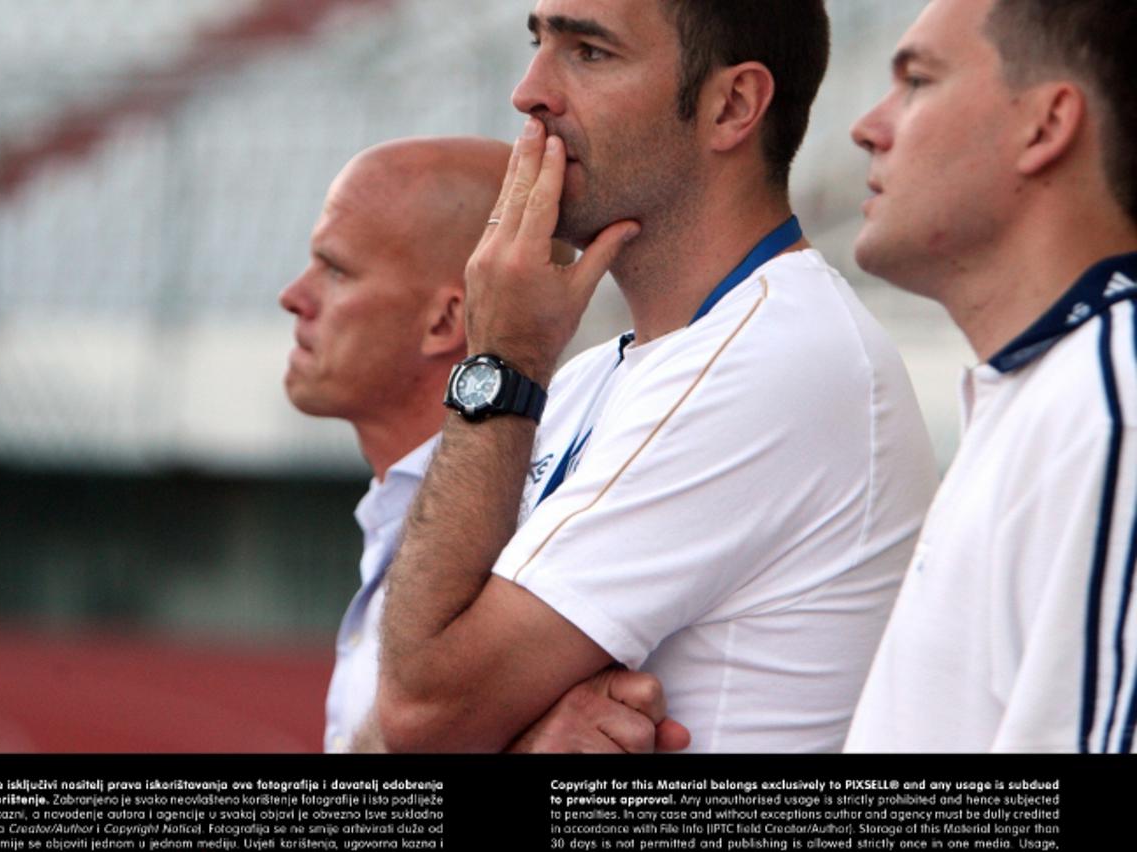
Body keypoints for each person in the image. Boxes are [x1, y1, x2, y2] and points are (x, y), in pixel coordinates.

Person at [369, 1, 937, 753]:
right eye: (539, 42)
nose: (529, 91)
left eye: (589, 52)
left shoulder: (774, 359)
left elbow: (421, 715)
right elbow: (388, 732)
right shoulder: (586, 378)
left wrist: (499, 365)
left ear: (731, 106)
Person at [280, 135, 689, 753]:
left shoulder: (544, 532)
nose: (295, 296)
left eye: (335, 270)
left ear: (445, 322)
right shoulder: (408, 507)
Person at [844, 0, 1137, 753]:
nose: (868, 126)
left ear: (1045, 126)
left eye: (917, 80)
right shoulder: (1057, 388)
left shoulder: (1112, 411)